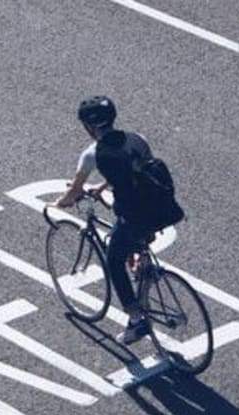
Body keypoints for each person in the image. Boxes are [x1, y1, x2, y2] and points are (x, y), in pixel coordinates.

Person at [54, 96, 155, 344]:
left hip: (133, 215)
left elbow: (74, 191)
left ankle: (135, 319)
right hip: (158, 207)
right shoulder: (137, 138)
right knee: (132, 243)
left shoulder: (92, 154)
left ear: (89, 126)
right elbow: (137, 169)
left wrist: (59, 203)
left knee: (113, 261)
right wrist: (104, 185)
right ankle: (146, 273)